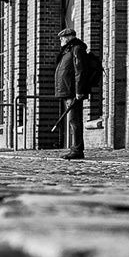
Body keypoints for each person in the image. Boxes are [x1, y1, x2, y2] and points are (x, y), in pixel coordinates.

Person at [54, 27, 91, 160]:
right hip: (68, 91)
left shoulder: (76, 49)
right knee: (72, 120)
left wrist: (79, 91)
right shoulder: (67, 50)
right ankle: (74, 148)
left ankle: (77, 150)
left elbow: (80, 71)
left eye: (62, 38)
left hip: (73, 91)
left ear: (69, 37)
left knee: (74, 120)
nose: (61, 40)